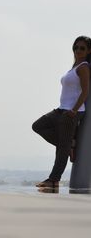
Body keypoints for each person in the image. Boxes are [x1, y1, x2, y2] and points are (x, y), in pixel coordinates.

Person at [32, 36, 91, 189]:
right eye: (76, 47)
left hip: (71, 112)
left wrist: (74, 110)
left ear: (88, 51)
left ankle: (53, 180)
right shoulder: (74, 66)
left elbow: (85, 92)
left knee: (62, 149)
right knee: (38, 126)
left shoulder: (84, 67)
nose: (78, 50)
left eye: (82, 48)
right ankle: (70, 146)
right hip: (61, 109)